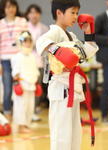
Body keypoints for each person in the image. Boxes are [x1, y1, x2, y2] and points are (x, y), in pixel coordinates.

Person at [36, 0, 98, 150]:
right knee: (61, 134)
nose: (76, 16)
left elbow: (85, 53)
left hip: (73, 89)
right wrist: (58, 51)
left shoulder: (71, 36)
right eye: (72, 12)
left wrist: (88, 33)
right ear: (59, 13)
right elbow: (41, 42)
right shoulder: (54, 32)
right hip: (60, 89)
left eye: (77, 13)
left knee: (75, 133)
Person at [0, 0, 28, 121]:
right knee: (7, 88)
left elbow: (27, 39)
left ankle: (21, 115)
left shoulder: (22, 21)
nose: (10, 9)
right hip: (5, 60)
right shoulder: (0, 23)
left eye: (13, 6)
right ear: (4, 9)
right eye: (8, 7)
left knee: (22, 87)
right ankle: (7, 113)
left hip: (20, 59)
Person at [11, 31, 39, 133]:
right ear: (20, 42)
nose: (27, 43)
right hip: (22, 85)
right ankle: (21, 126)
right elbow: (15, 73)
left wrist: (36, 82)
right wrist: (17, 84)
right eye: (25, 41)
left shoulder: (32, 56)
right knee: (21, 106)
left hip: (31, 85)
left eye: (29, 41)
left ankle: (26, 124)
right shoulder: (16, 56)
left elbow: (35, 70)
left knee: (30, 106)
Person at [25, 4, 49, 121]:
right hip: (26, 63)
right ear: (28, 14)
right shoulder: (24, 28)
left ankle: (34, 110)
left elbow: (46, 47)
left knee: (37, 87)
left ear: (39, 14)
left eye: (36, 12)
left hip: (39, 63)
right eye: (31, 12)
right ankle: (25, 112)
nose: (34, 15)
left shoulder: (44, 29)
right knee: (26, 88)